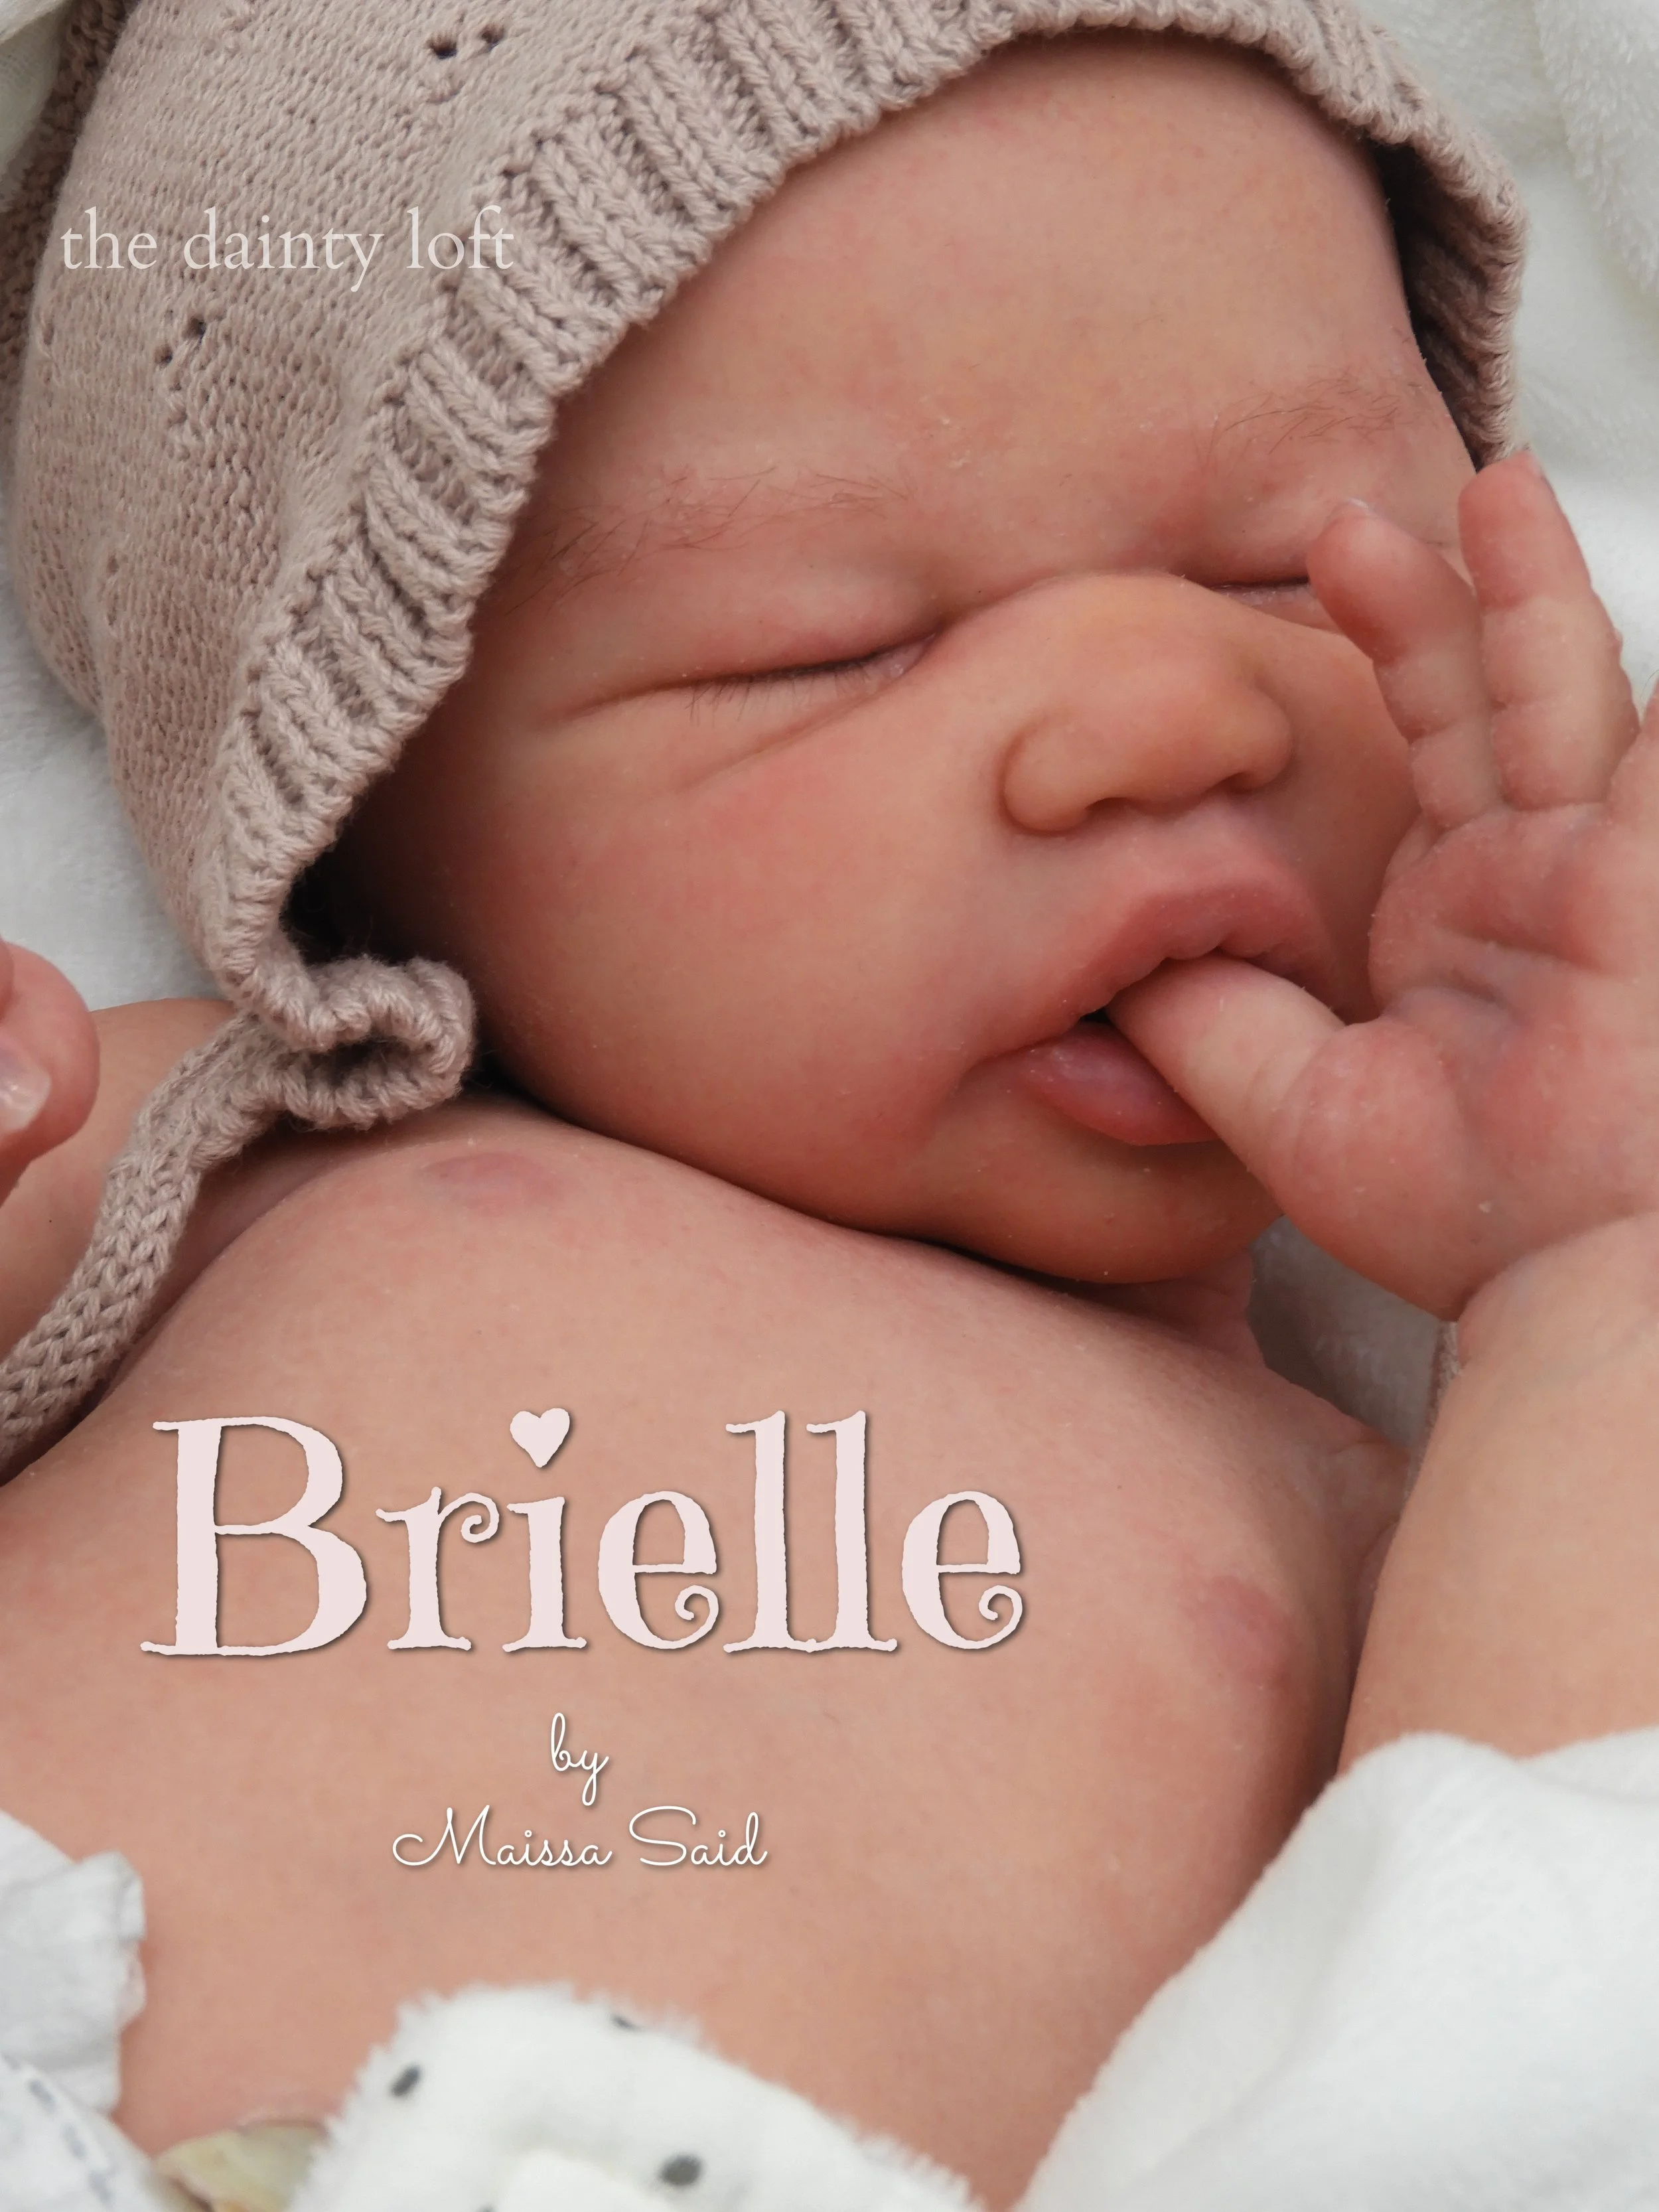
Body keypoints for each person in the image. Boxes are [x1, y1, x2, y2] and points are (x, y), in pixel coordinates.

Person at [4, 4, 1647, 2202]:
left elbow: (1517, 1969)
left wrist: (1579, 1275)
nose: (1160, 718)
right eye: (828, 645)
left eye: (1285, 565)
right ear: (353, 811)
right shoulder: (240, 1144)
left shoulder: (1405, 1508)